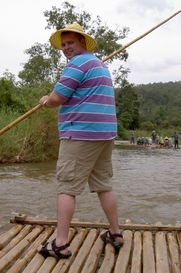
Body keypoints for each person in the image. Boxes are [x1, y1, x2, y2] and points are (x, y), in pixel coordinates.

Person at [37, 23, 123, 259]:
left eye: (70, 43)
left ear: (82, 42)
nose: (66, 48)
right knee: (104, 184)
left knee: (66, 186)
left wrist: (45, 100)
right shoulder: (99, 65)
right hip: (105, 135)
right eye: (63, 45)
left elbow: (57, 98)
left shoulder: (77, 64)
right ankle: (115, 233)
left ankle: (60, 243)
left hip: (81, 134)